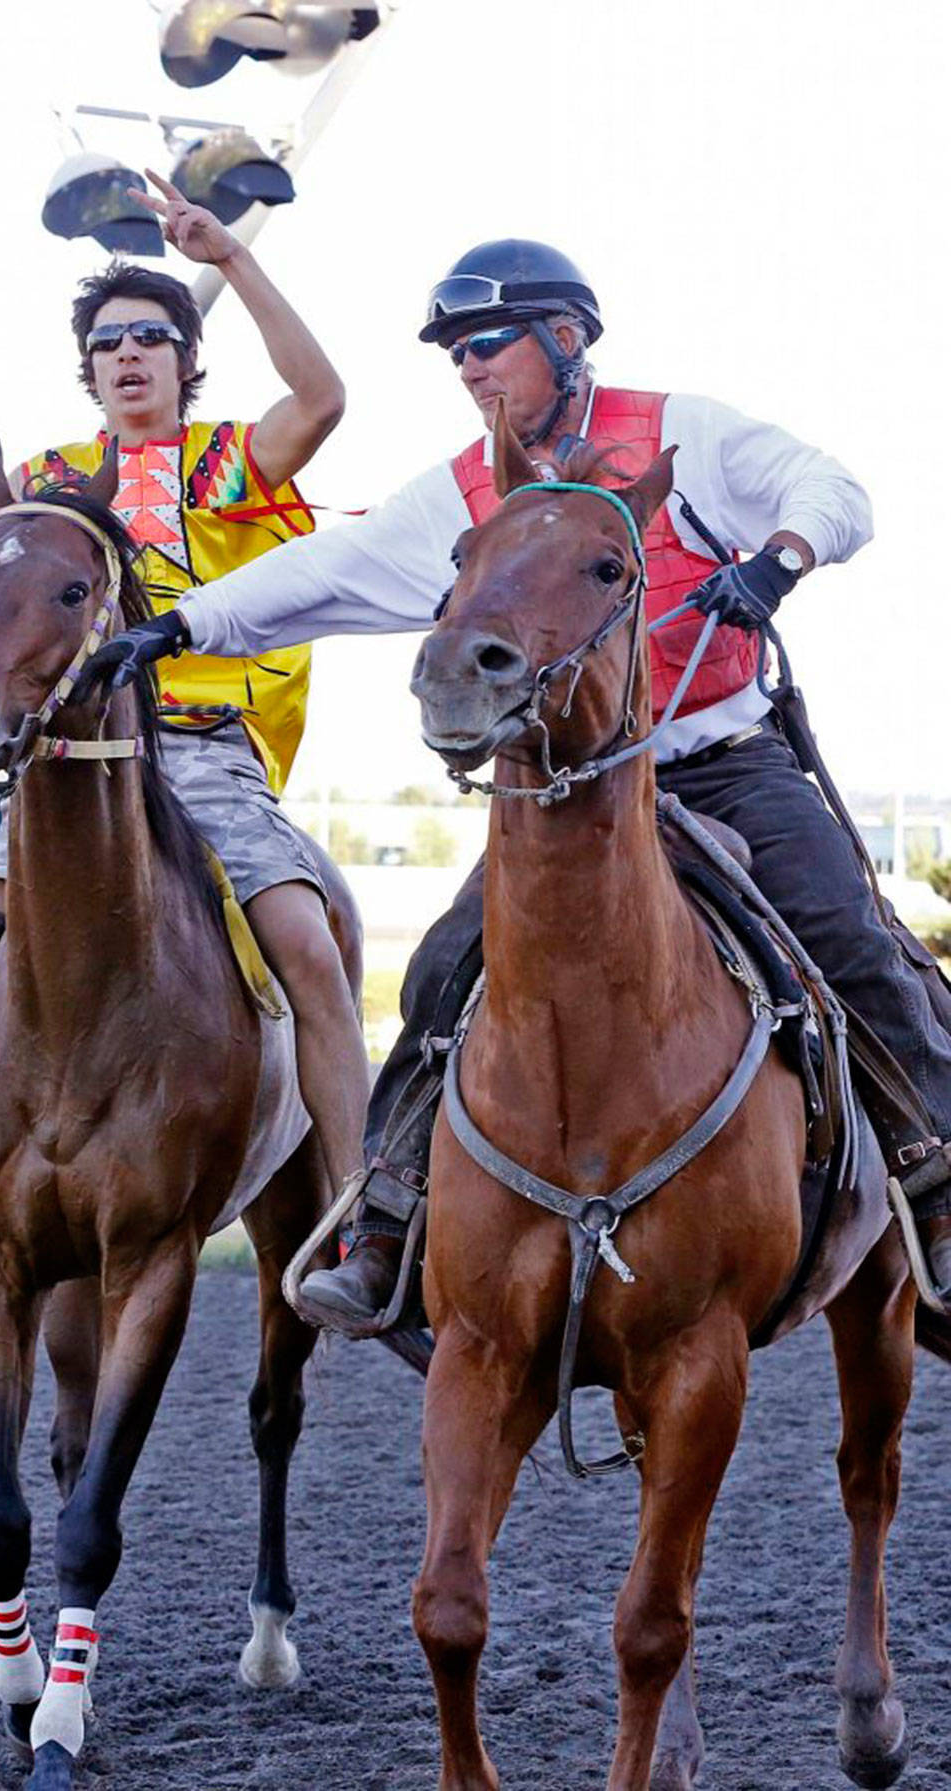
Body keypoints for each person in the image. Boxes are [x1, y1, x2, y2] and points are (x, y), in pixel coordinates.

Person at [91, 237, 951, 1329]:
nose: (470, 370)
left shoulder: (681, 430)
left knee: (852, 943)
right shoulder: (462, 488)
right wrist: (176, 626)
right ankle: (386, 1220)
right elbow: (323, 574)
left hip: (726, 768)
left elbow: (830, 490)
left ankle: (935, 1189)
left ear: (567, 337)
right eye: (456, 356)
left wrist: (776, 560)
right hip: (560, 795)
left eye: (487, 345)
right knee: (440, 973)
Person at [0, 174, 369, 1349]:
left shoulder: (229, 465)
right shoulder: (55, 481)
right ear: (88, 371)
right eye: (106, 345)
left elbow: (321, 394)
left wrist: (233, 255)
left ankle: (363, 1222)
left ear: (186, 358)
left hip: (206, 758)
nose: (127, 359)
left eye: (151, 339)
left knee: (309, 948)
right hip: (62, 770)